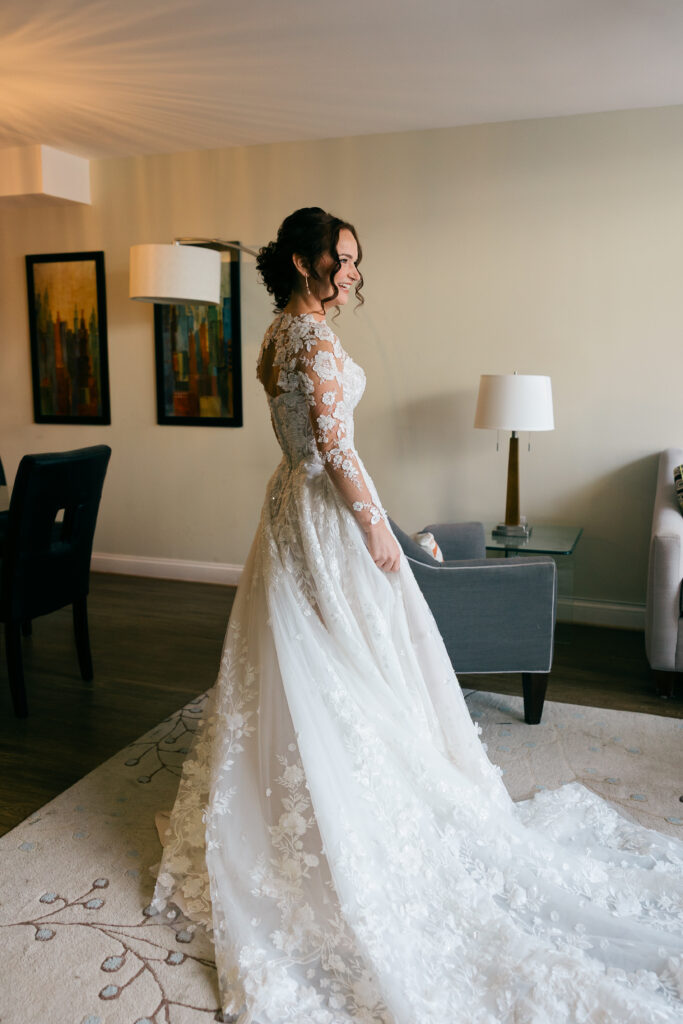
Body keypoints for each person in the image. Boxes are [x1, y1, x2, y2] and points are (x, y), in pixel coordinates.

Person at [150, 207, 683, 1024]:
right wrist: (377, 530)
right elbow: (335, 447)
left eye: (357, 259)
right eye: (344, 258)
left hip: (292, 505)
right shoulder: (312, 338)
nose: (354, 272)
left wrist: (382, 517)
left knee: (320, 654)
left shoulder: (274, 336)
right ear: (304, 261)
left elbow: (314, 447)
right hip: (327, 508)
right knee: (350, 653)